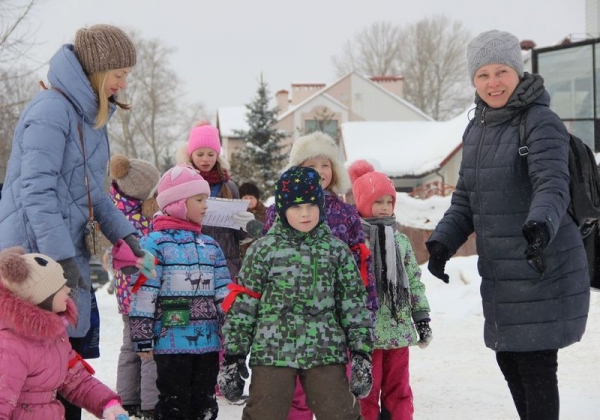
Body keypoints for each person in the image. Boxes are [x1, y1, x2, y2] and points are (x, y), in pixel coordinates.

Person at [426, 30, 590, 420]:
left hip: (541, 261)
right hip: (501, 270)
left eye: (501, 71)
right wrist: (442, 243)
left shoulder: (541, 121)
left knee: (534, 363)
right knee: (509, 359)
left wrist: (539, 225)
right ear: (473, 80)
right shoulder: (477, 129)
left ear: (517, 72)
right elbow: (465, 198)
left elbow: (552, 185)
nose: (492, 83)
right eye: (483, 75)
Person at [0, 23, 144, 420]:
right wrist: (60, 260)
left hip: (62, 260)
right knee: (35, 375)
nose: (123, 83)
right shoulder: (51, 111)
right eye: (119, 74)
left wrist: (128, 236)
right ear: (98, 70)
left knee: (66, 368)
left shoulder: (89, 119)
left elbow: (92, 193)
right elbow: (36, 192)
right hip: (34, 265)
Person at [232, 131, 378, 419]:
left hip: (324, 351)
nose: (305, 213)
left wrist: (361, 353)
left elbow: (353, 303)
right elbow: (243, 306)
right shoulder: (263, 251)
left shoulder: (336, 252)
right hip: (272, 352)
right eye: (296, 207)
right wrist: (234, 357)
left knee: (340, 412)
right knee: (264, 412)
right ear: (284, 209)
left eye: (311, 205)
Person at [128, 164, 233, 420]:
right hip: (171, 343)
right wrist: (142, 335)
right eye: (199, 200)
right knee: (174, 402)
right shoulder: (155, 243)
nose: (205, 206)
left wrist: (235, 327)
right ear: (177, 203)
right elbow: (144, 291)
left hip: (208, 342)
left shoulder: (210, 245)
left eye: (205, 199)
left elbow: (224, 292)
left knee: (205, 403)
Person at [0, 247, 130, 420]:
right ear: (40, 297)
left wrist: (107, 404)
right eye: (60, 287)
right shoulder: (9, 346)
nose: (68, 290)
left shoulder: (54, 336)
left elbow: (75, 381)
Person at [349, 159, 432, 420]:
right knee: (366, 393)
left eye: (389, 202)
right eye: (378, 202)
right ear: (362, 203)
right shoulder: (354, 242)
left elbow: (414, 281)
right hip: (366, 334)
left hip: (398, 331)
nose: (385, 208)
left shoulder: (401, 241)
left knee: (399, 390)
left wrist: (422, 317)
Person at [109, 154, 161, 419]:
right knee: (147, 348)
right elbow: (148, 245)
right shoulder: (134, 218)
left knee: (130, 345)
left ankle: (127, 398)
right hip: (141, 290)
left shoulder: (115, 209)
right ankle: (150, 403)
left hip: (125, 292)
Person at [177, 123, 243, 281]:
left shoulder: (229, 186)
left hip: (227, 263)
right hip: (191, 261)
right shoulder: (180, 184)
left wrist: (246, 223)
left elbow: (241, 232)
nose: (205, 159)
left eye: (211, 154)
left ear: (217, 155)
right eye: (200, 154)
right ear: (190, 154)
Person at [237, 182, 267, 259]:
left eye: (251, 198)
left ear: (257, 198)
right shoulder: (237, 214)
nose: (249, 201)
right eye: (245, 198)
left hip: (262, 254)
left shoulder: (267, 213)